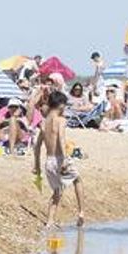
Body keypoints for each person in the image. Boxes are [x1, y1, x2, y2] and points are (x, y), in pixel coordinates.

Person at [32, 90, 82, 228]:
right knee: (77, 180)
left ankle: (50, 221)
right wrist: (65, 159)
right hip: (59, 158)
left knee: (57, 192)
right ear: (60, 105)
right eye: (65, 105)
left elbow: (37, 147)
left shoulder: (43, 123)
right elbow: (61, 138)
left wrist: (36, 166)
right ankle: (81, 212)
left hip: (49, 161)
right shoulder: (61, 120)